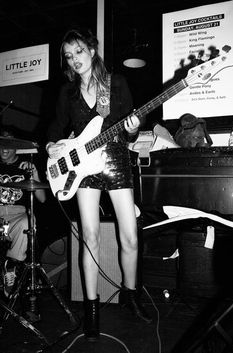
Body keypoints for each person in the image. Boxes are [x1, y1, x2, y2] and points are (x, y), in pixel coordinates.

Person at [46, 27, 151, 341]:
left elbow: (129, 130)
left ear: (91, 50)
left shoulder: (115, 83)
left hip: (115, 158)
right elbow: (56, 126)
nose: (75, 59)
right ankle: (91, 308)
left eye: (79, 51)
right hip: (82, 167)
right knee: (89, 236)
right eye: (69, 55)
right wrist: (52, 144)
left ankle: (131, 295)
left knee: (129, 236)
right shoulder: (67, 92)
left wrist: (133, 128)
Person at [0, 127, 46, 297]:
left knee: (28, 222)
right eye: (1, 144)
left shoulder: (25, 167)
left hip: (16, 216)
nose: (4, 148)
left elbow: (42, 199)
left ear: (17, 147)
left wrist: (34, 173)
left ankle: (11, 266)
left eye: (9, 144)